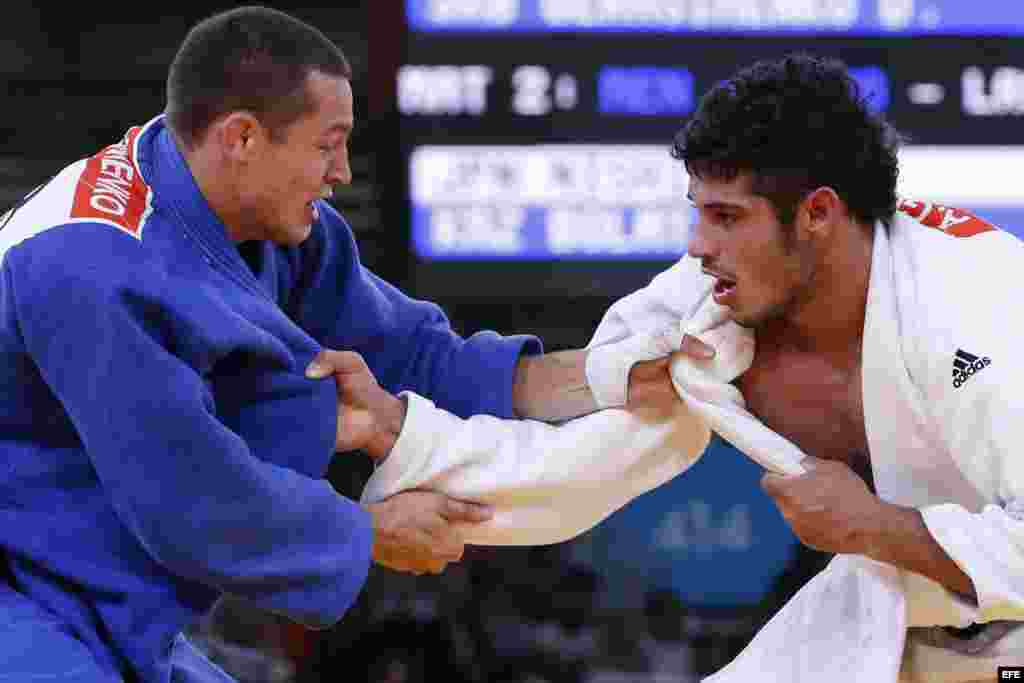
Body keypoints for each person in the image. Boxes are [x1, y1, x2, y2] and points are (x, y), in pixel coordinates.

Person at [0, 7, 684, 682]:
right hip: (20, 595)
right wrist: (367, 533)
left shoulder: (265, 219)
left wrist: (598, 374)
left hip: (95, 599)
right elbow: (186, 496)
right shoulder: (89, 261)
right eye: (328, 144)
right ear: (242, 138)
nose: (344, 172)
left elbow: (414, 356)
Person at [314, 54, 1024, 681]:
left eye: (726, 216)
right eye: (697, 212)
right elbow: (577, 453)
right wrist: (400, 431)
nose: (698, 243)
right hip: (891, 618)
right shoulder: (710, 303)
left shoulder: (975, 310)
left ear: (816, 213)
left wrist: (872, 523)